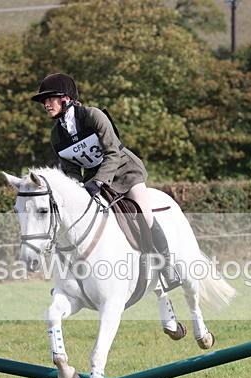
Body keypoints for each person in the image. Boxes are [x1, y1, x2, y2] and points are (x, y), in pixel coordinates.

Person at [31, 72, 181, 290]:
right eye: (44, 101)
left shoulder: (93, 116)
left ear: (66, 99)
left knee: (144, 216)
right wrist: (78, 188)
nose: (46, 104)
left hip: (125, 171)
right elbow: (71, 169)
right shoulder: (56, 135)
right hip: (94, 177)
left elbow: (112, 153)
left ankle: (167, 266)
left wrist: (99, 181)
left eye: (50, 99)